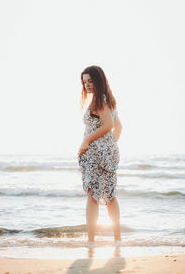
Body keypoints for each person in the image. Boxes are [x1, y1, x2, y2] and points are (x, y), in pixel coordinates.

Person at [77, 65, 123, 248]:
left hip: (95, 155)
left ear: (98, 80)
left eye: (90, 80)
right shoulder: (109, 100)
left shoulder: (98, 101)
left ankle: (91, 242)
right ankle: (117, 240)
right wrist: (109, 147)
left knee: (92, 196)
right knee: (110, 196)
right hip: (108, 154)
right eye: (84, 81)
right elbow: (118, 127)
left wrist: (87, 141)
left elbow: (109, 125)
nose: (87, 84)